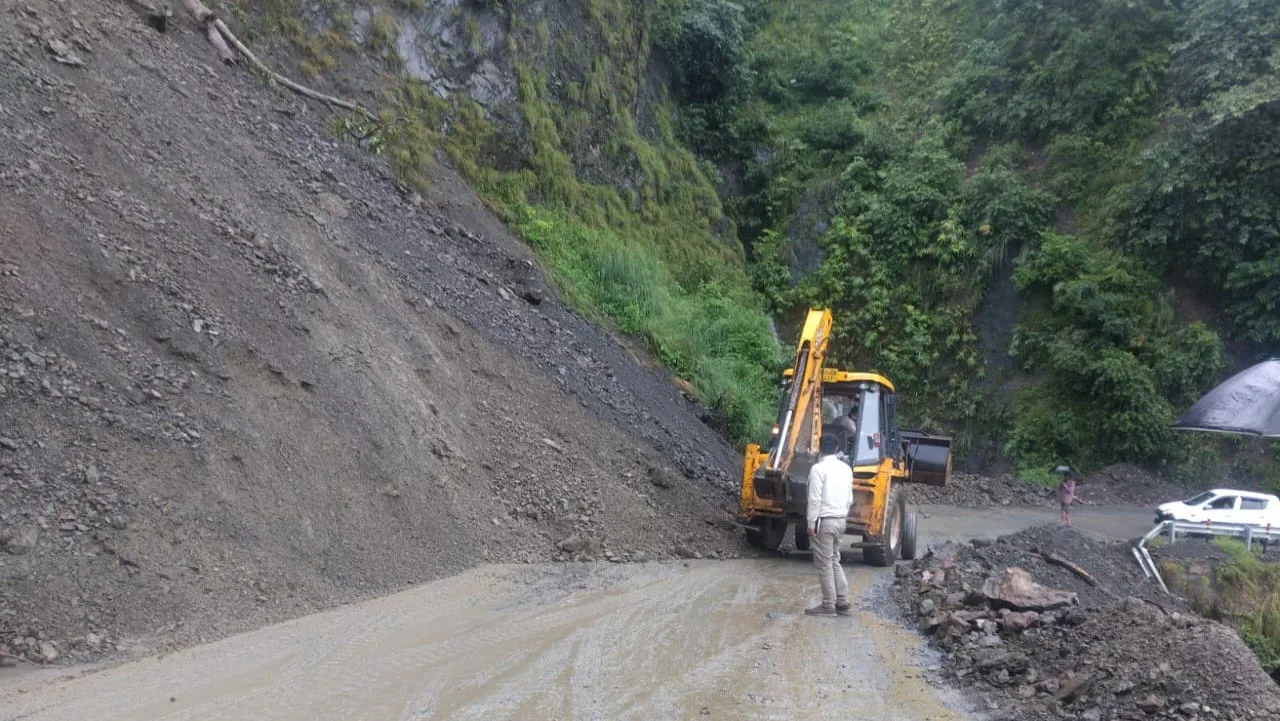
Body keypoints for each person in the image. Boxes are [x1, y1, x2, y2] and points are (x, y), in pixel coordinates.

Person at [805, 434, 855, 617]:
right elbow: (850, 498)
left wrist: (811, 523)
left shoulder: (818, 469)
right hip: (841, 520)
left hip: (825, 522)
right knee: (834, 559)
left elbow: (814, 498)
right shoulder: (846, 469)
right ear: (836, 449)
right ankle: (843, 603)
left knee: (824, 563)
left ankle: (828, 606)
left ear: (820, 449)